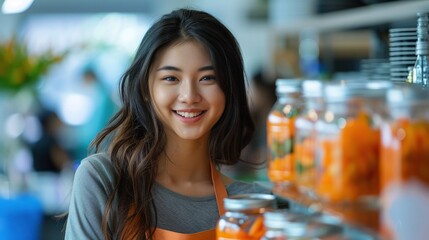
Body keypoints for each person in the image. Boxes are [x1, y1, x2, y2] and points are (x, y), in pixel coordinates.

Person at [65, 8, 271, 240]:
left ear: (229, 89)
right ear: (145, 88)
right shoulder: (104, 180)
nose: (189, 95)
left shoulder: (251, 205)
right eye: (171, 78)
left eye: (207, 78)